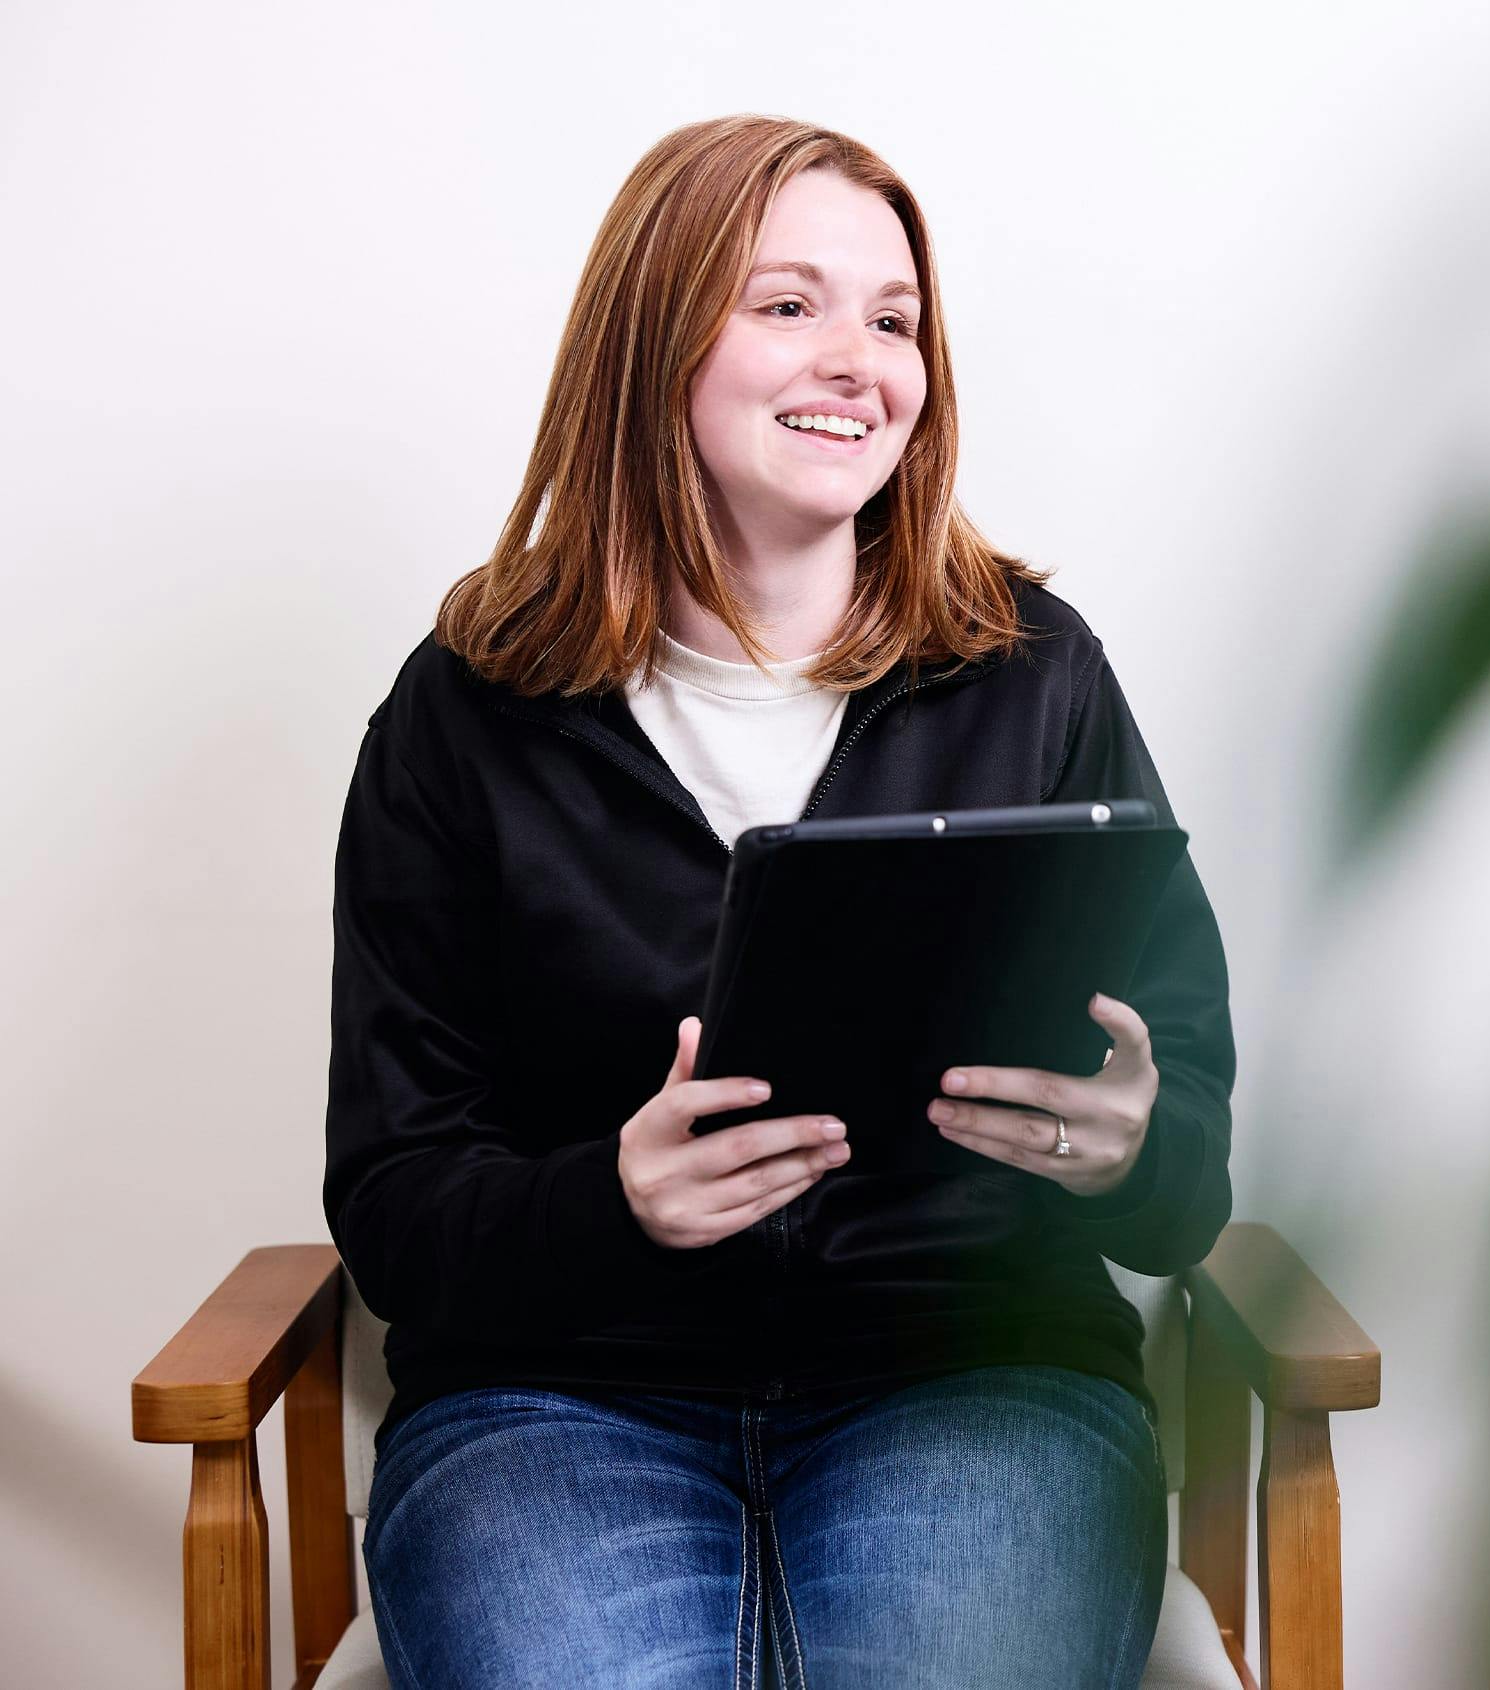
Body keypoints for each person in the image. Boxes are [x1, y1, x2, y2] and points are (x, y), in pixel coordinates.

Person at [324, 114, 1236, 1690]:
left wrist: (1134, 1149)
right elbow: (396, 1196)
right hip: (555, 1403)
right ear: (653, 337)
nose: (859, 361)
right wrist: (611, 1206)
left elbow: (1190, 1133)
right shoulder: (462, 713)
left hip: (976, 1378)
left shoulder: (1036, 674)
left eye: (895, 320)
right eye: (789, 303)